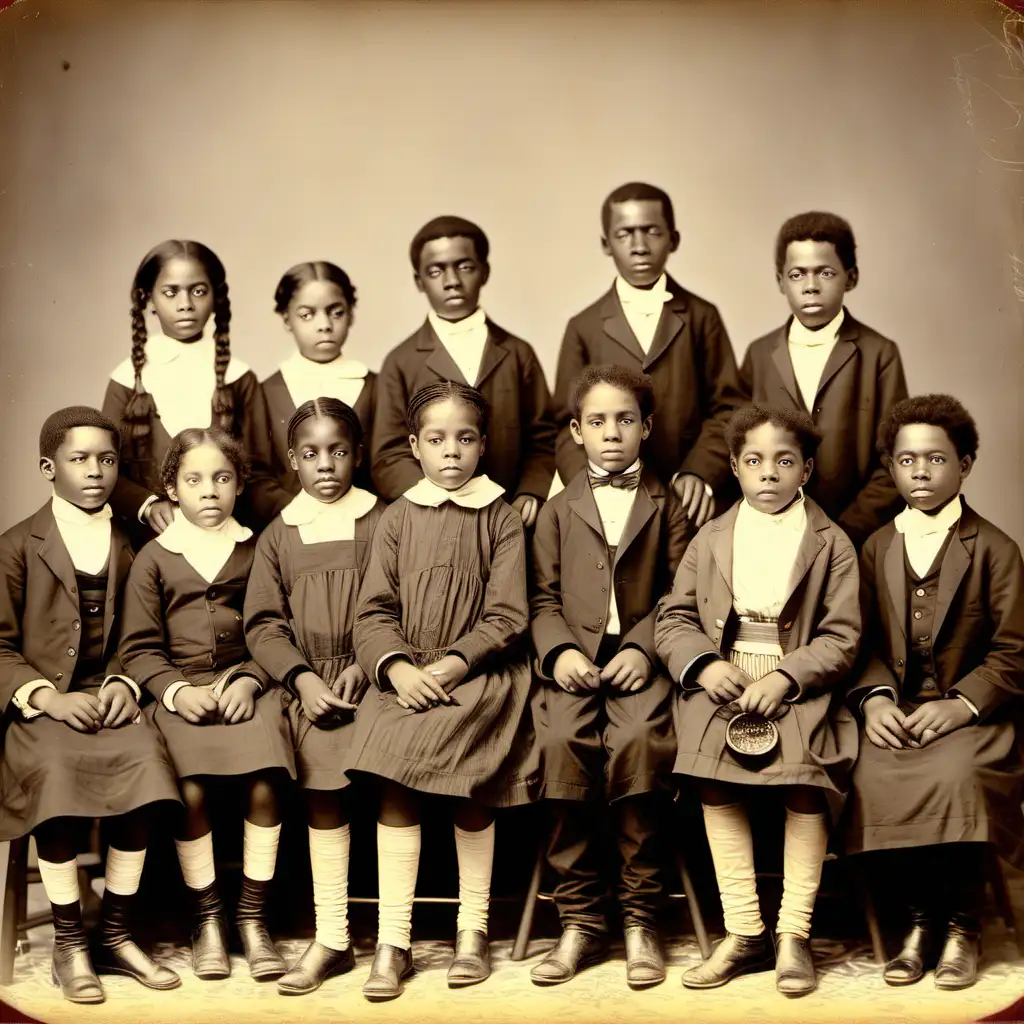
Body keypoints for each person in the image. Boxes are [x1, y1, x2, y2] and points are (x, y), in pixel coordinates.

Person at [655, 403, 860, 996]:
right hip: (726, 674)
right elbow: (674, 617)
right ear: (735, 469)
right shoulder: (712, 535)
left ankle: (794, 933)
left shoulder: (830, 543)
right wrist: (705, 663)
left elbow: (842, 635)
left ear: (807, 470)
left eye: (784, 461)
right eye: (754, 461)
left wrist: (787, 677)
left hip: (797, 681)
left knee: (807, 777)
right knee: (710, 775)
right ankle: (745, 932)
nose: (768, 474)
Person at [348, 381, 536, 1000]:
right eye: (436, 440)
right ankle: (393, 939)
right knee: (392, 775)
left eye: (464, 438)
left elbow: (508, 615)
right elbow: (372, 612)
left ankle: (473, 930)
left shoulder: (502, 517)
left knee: (468, 780)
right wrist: (398, 668)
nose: (450, 452)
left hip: (477, 675)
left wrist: (456, 664)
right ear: (414, 446)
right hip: (408, 674)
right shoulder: (396, 518)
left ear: (482, 446)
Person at [0, 406, 182, 1004]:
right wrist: (47, 697)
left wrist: (123, 685)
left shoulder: (133, 544)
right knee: (54, 775)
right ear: (49, 468)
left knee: (149, 767)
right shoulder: (16, 546)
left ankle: (116, 930)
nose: (96, 471)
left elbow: (144, 637)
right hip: (43, 710)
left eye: (107, 459)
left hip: (112, 702)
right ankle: (70, 939)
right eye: (79, 460)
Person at [845, 394, 1024, 991]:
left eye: (936, 460)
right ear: (891, 468)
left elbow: (1013, 650)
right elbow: (859, 639)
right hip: (898, 708)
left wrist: (961, 704)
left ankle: (962, 927)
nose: (920, 473)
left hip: (974, 714)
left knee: (959, 777)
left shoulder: (995, 549)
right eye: (906, 460)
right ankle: (919, 924)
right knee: (872, 773)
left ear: (965, 466)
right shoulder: (875, 547)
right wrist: (874, 699)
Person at [529, 365, 688, 989]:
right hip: (573, 658)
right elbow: (540, 599)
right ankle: (579, 920)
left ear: (646, 428)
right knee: (560, 743)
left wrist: (646, 649)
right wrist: (560, 653)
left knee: (641, 744)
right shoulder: (557, 509)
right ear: (576, 431)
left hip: (640, 660)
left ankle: (642, 919)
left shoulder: (667, 503)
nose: (612, 432)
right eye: (597, 422)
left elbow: (683, 593)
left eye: (626, 420)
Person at [118, 428, 296, 982]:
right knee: (189, 787)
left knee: (267, 779)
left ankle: (252, 918)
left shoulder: (260, 546)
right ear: (171, 489)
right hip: (181, 691)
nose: (209, 491)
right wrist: (175, 691)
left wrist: (249, 678)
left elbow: (275, 629)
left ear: (240, 484)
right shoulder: (153, 557)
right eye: (193, 480)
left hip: (250, 686)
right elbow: (138, 648)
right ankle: (208, 919)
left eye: (222, 478)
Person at [245, 398, 384, 996]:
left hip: (379, 673)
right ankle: (334, 936)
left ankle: (400, 935)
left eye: (338, 451)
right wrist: (302, 678)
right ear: (292, 462)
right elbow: (264, 623)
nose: (326, 465)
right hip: (310, 682)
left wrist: (365, 662)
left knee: (400, 763)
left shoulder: (385, 520)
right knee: (322, 771)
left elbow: (400, 603)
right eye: (311, 454)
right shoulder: (280, 534)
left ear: (357, 455)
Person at [553, 182, 742, 525]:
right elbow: (565, 425)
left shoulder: (703, 317)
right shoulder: (583, 326)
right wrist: (591, 485)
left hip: (687, 501)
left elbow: (728, 408)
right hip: (611, 502)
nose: (639, 247)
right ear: (605, 244)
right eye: (625, 234)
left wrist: (700, 472)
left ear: (674, 239)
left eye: (652, 231)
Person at [370, 215, 555, 524]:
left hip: (509, 516)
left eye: (465, 266)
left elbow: (544, 439)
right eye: (435, 270)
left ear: (485, 272)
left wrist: (532, 491)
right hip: (433, 522)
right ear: (419, 281)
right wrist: (433, 501)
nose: (452, 280)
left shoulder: (518, 353)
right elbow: (388, 455)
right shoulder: (400, 362)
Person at [738, 212, 908, 547]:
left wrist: (845, 531)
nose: (811, 286)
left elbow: (893, 458)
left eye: (825, 272)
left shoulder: (879, 354)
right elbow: (741, 447)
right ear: (780, 281)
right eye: (797, 274)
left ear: (851, 277)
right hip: (771, 536)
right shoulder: (759, 354)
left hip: (856, 537)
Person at [102, 240, 286, 539]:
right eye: (171, 292)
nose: (185, 303)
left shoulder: (238, 379)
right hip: (149, 541)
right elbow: (106, 466)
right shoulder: (126, 381)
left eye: (198, 291)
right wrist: (146, 505)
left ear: (216, 298)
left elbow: (259, 471)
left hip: (227, 538)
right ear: (148, 298)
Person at [261, 262, 377, 502]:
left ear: (351, 313)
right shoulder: (265, 393)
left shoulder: (377, 386)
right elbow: (257, 474)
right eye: (307, 315)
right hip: (290, 529)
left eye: (336, 312)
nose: (324, 325)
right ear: (286, 319)